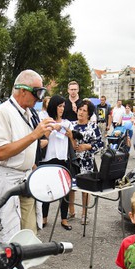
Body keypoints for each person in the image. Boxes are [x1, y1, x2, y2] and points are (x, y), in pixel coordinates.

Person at [0, 69, 55, 269]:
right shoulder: (2, 112)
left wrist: (45, 137)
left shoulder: (27, 112)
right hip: (6, 178)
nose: (39, 97)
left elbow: (28, 144)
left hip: (26, 177)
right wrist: (35, 135)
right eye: (37, 92)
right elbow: (3, 152)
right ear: (22, 89)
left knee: (28, 228)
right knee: (7, 230)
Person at [39, 95, 74, 230]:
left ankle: (64, 219)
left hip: (63, 158)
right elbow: (42, 138)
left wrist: (67, 132)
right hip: (48, 159)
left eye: (63, 106)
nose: (62, 109)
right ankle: (44, 217)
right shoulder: (46, 120)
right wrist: (52, 128)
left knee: (64, 190)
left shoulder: (67, 122)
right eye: (59, 106)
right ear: (54, 106)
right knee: (47, 189)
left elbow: (71, 139)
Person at [71, 100, 104, 223]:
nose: (81, 112)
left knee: (85, 189)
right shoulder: (71, 125)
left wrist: (88, 146)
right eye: (80, 109)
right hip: (73, 161)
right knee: (71, 187)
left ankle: (84, 214)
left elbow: (100, 144)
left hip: (87, 162)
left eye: (84, 110)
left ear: (89, 114)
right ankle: (71, 211)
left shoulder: (93, 127)